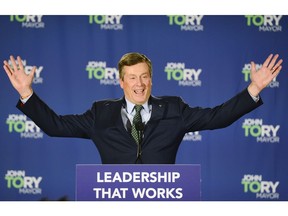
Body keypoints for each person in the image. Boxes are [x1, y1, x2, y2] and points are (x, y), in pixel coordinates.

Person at [3, 52, 283, 164]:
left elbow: (217, 117)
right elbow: (55, 126)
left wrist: (254, 89)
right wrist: (26, 92)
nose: (140, 84)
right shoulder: (100, 112)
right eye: (133, 78)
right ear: (121, 81)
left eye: (145, 76)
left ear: (151, 79)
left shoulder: (174, 109)